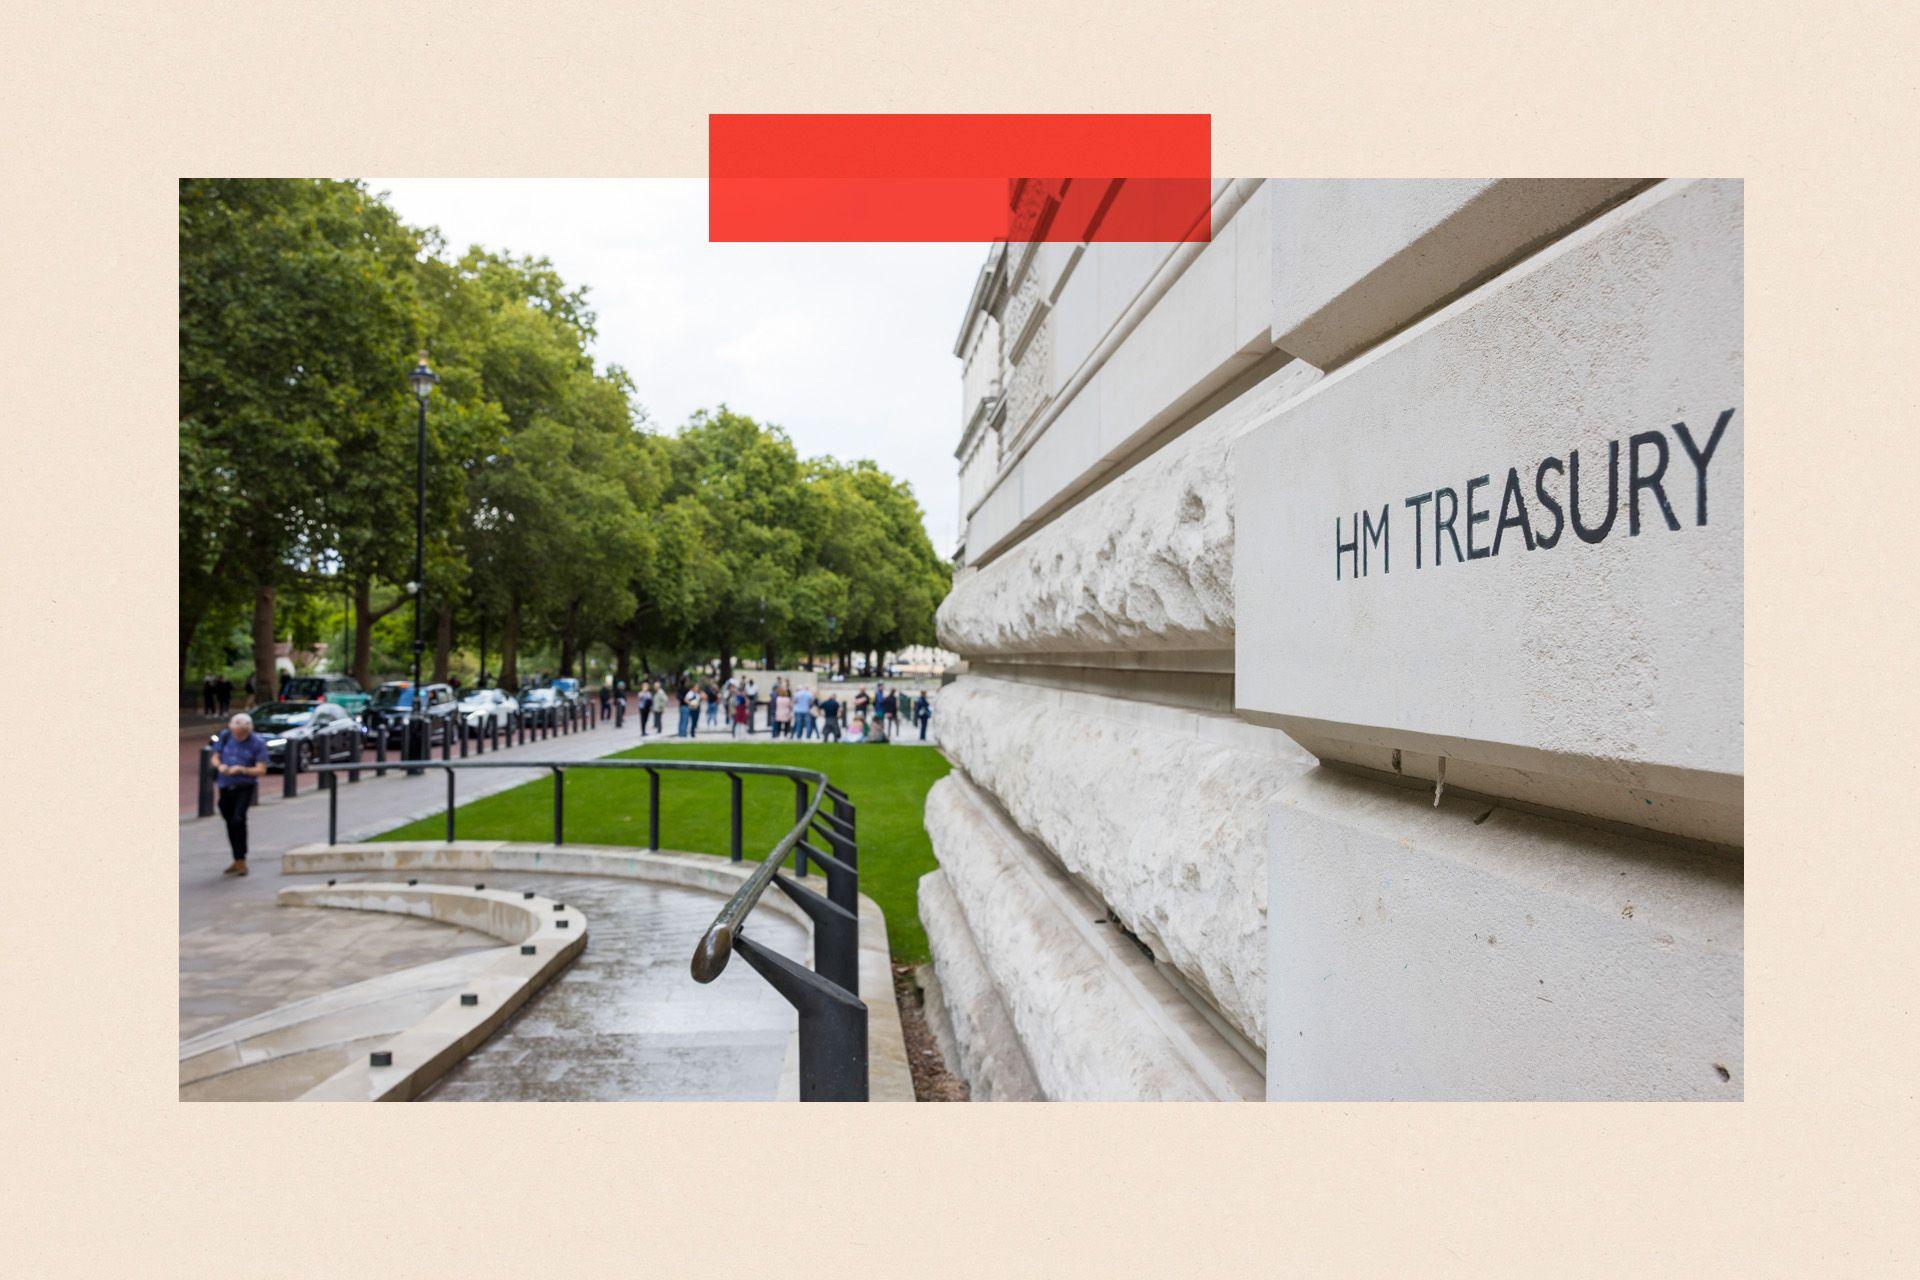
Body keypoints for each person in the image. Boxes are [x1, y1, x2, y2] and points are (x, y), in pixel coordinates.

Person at [212, 713, 270, 876]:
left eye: (243, 732)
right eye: (237, 732)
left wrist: (242, 769)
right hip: (225, 785)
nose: (239, 735)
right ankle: (237, 859)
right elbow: (215, 757)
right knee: (229, 820)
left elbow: (261, 769)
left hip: (245, 786)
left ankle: (241, 860)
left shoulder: (257, 743)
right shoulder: (225, 736)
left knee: (238, 820)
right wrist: (220, 766)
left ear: (249, 730)